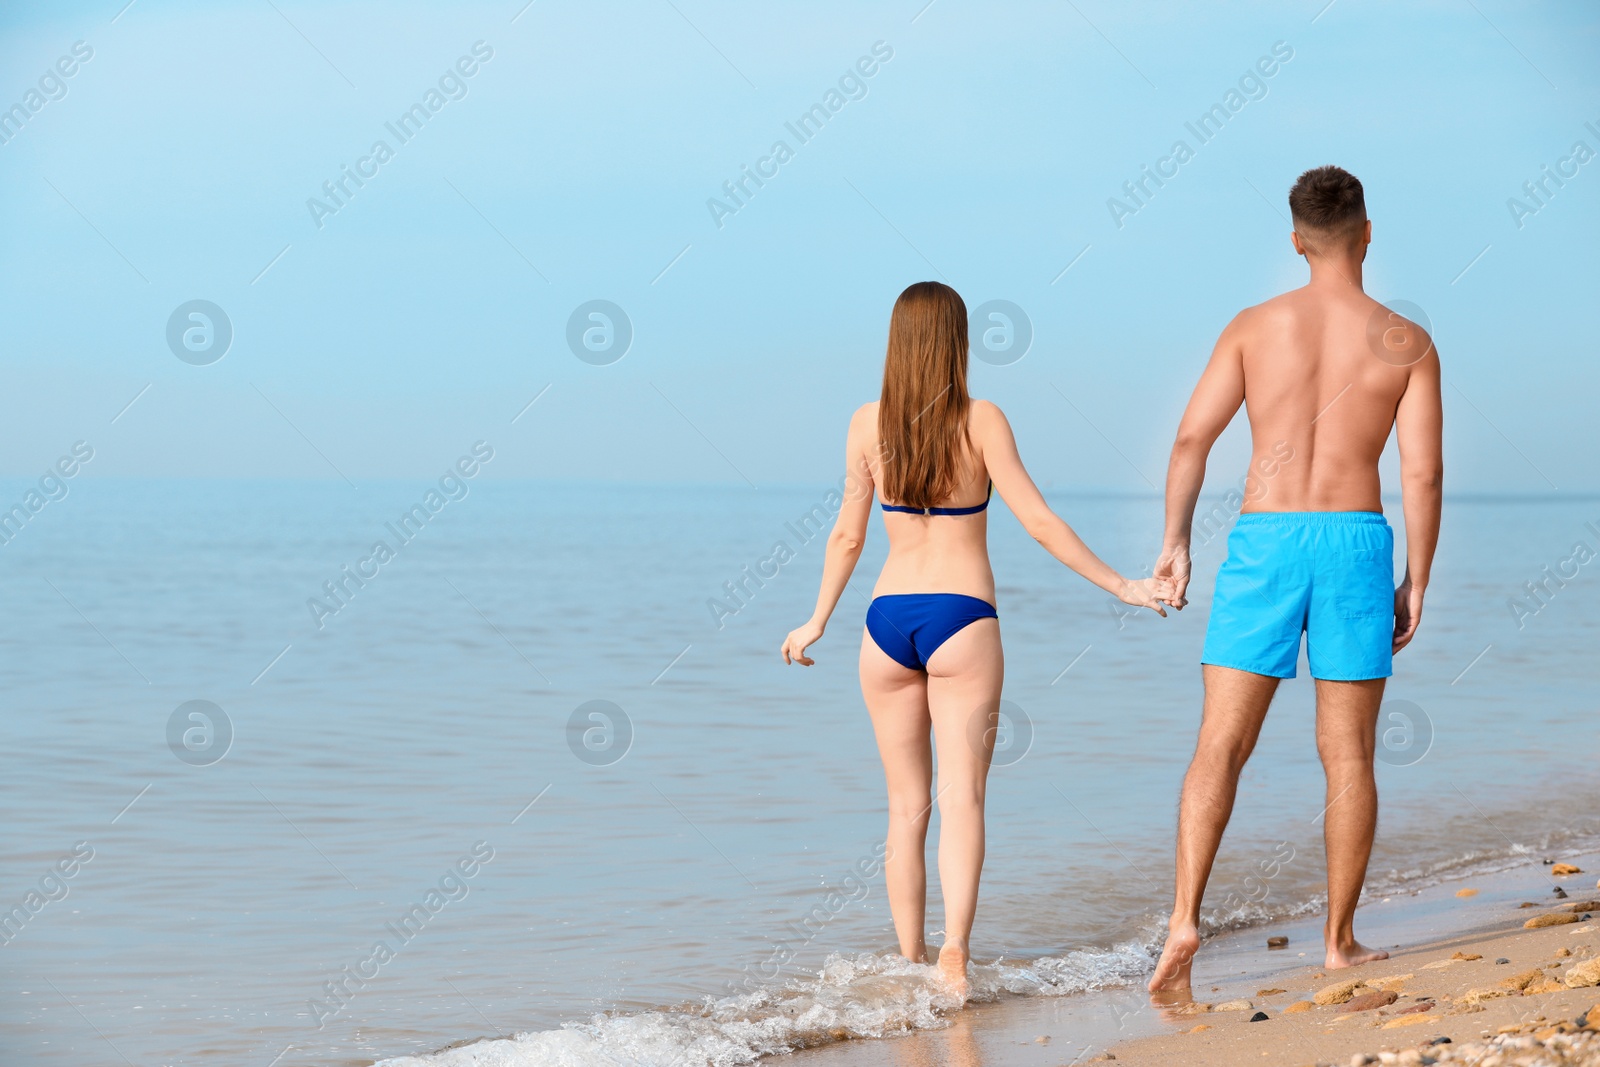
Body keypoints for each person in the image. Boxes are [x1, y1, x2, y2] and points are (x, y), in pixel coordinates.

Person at [780, 281, 1174, 997]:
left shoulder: (866, 424)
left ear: (897, 342)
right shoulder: (982, 419)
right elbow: (1040, 520)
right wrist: (1124, 586)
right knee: (963, 798)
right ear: (957, 342)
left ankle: (908, 963)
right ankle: (954, 955)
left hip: (884, 621)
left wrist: (816, 620)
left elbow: (846, 533)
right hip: (962, 617)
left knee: (906, 807)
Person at [1146, 166, 1443, 992]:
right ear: (1368, 232)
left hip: (1265, 539)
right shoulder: (1405, 342)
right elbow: (1423, 474)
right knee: (1347, 752)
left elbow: (1189, 442)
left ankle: (1182, 920)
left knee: (1221, 743)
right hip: (1355, 541)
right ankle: (1339, 941)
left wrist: (1175, 543)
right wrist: (1417, 576)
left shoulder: (1254, 326)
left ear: (1296, 240)